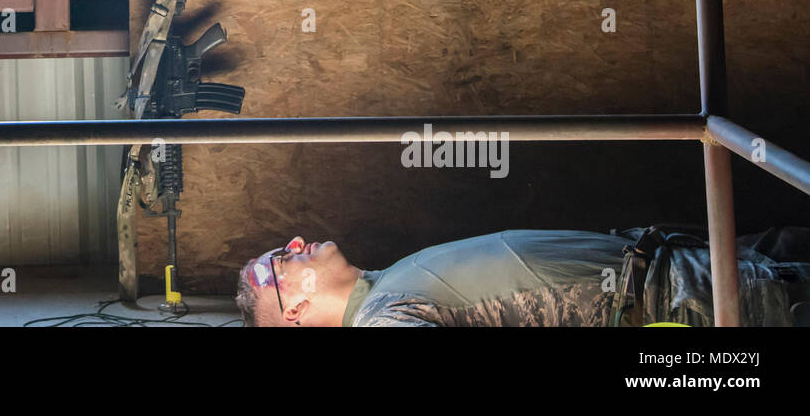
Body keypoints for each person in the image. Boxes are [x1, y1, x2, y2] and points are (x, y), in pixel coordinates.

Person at [236, 227, 810, 326]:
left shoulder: (383, 291)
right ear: (294, 311)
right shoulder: (382, 320)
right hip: (684, 304)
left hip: (681, 272)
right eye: (279, 263)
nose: (294, 246)